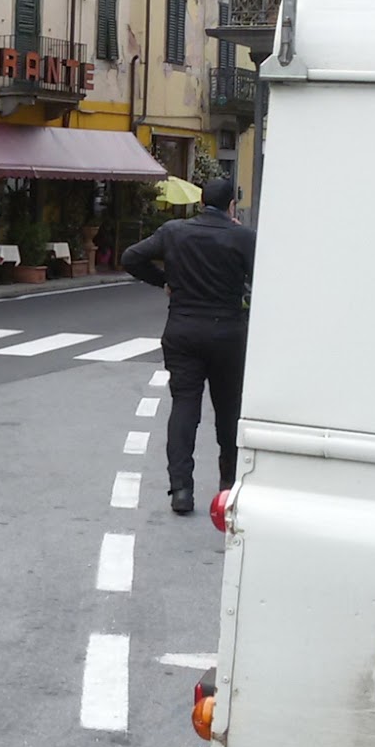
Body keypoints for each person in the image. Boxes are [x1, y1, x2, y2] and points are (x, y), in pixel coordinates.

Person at [118, 176, 256, 516]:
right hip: (228, 333)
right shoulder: (243, 237)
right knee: (228, 410)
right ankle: (228, 486)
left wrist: (166, 281)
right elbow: (264, 279)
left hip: (182, 330)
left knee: (184, 408)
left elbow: (131, 257)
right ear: (231, 206)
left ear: (201, 202)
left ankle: (181, 490)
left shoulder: (174, 231)